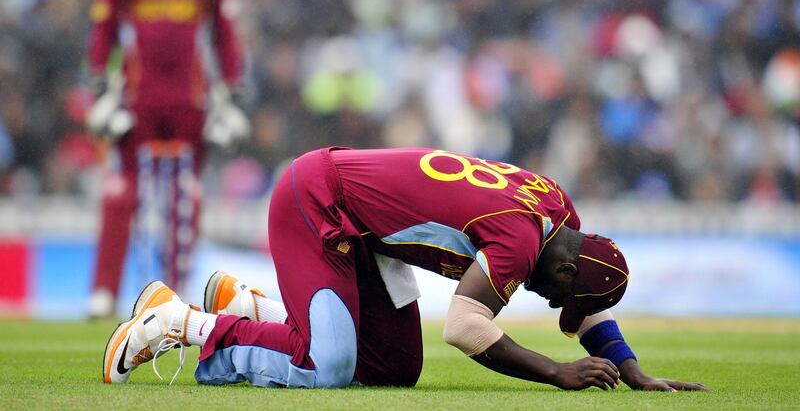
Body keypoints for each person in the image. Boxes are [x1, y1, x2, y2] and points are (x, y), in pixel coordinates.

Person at [102, 147, 708, 391]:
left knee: (393, 370)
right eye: (560, 297)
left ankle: (253, 308)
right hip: (320, 199)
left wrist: (635, 373)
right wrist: (554, 372)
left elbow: (590, 303)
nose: (553, 306)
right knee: (328, 367)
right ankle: (181, 324)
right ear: (570, 265)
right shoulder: (521, 241)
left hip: (368, 230)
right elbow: (464, 326)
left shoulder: (558, 212)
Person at [86, 0, 247, 318]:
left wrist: (231, 92)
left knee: (186, 195)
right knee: (120, 193)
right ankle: (103, 292)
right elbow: (103, 28)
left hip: (189, 103)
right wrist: (100, 81)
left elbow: (226, 35)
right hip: (137, 99)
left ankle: (176, 292)